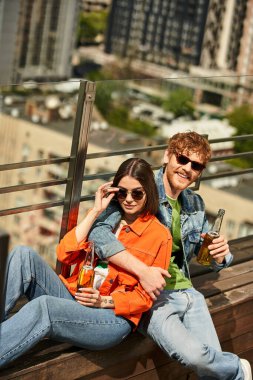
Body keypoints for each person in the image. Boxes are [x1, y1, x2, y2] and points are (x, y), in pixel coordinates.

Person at [89, 132, 252, 380]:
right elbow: (98, 234)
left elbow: (206, 255)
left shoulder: (195, 203)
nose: (187, 169)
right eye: (182, 159)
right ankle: (238, 369)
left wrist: (221, 254)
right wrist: (142, 271)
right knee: (198, 358)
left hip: (189, 293)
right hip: (153, 295)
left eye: (196, 166)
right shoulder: (140, 190)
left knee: (213, 373)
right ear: (167, 155)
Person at [0, 158, 172, 368]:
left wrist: (103, 301)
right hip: (74, 298)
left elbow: (144, 299)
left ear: (149, 193)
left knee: (44, 307)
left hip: (110, 319)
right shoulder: (106, 220)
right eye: (122, 192)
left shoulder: (159, 236)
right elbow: (65, 254)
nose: (128, 199)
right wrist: (95, 211)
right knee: (22, 254)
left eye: (137, 193)